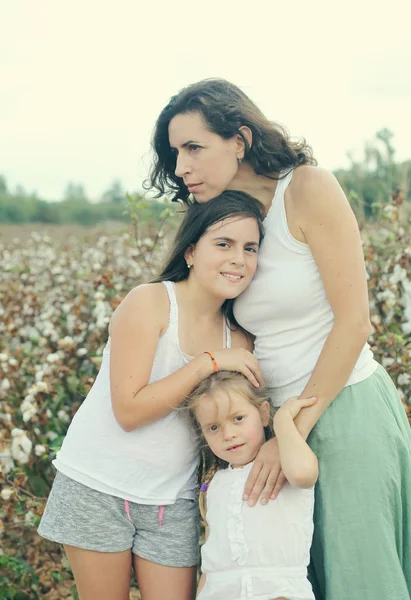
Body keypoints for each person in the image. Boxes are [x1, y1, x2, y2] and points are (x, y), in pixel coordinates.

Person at [148, 78, 411, 599]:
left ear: (240, 140)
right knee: (290, 582)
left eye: (192, 147)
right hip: (272, 422)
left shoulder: (308, 188)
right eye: (174, 153)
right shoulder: (233, 223)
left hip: (345, 408)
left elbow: (355, 322)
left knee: (361, 580)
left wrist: (288, 433)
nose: (180, 167)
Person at [38, 191, 265, 600]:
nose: (239, 259)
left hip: (171, 499)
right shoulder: (151, 303)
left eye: (250, 248)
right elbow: (128, 410)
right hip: (97, 486)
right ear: (191, 251)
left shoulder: (241, 339)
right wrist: (207, 362)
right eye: (224, 244)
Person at [187, 371, 318, 600]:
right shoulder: (213, 483)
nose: (228, 434)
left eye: (238, 418)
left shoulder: (285, 464)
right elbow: (210, 565)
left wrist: (283, 422)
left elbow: (304, 475)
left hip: (279, 593)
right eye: (213, 428)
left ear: (264, 413)